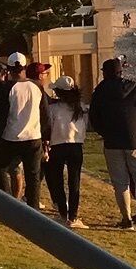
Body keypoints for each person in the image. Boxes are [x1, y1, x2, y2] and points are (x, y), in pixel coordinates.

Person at [90, 58, 136, 233]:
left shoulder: (99, 91)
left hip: (112, 141)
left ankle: (126, 219)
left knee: (120, 182)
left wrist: (103, 132)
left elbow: (93, 117)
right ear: (121, 71)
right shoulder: (135, 87)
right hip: (135, 139)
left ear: (104, 73)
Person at [0, 53, 45, 209]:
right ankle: (33, 209)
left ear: (9, 69)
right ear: (24, 67)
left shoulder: (7, 88)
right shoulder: (36, 86)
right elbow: (45, 114)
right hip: (33, 137)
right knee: (33, 177)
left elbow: (2, 115)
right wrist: (45, 136)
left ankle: (7, 202)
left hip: (11, 137)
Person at [44, 76, 89, 229]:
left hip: (57, 146)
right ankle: (73, 216)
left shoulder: (53, 109)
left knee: (57, 182)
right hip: (76, 146)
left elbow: (48, 127)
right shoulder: (81, 108)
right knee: (74, 182)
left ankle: (63, 213)